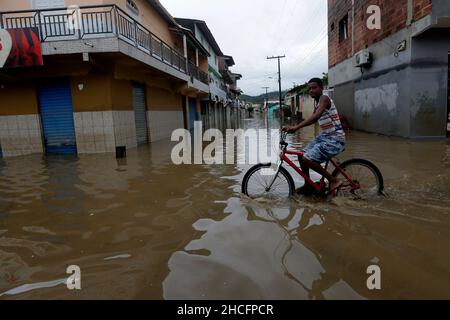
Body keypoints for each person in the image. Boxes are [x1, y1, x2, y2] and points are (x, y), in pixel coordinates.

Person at [283, 78, 346, 196]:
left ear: (321, 88)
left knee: (307, 159)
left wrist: (296, 127)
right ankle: (308, 185)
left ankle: (334, 180)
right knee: (302, 155)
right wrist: (291, 127)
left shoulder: (324, 99)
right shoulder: (317, 103)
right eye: (310, 88)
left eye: (314, 87)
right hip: (326, 136)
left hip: (335, 139)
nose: (311, 90)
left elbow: (316, 117)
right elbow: (311, 120)